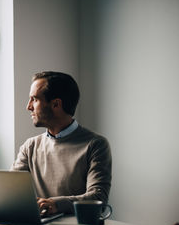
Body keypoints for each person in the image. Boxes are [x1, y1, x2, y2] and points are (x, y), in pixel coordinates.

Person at [11, 71, 112, 215]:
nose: (29, 106)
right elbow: (10, 192)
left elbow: (98, 198)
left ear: (56, 104)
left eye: (34, 99)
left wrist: (55, 204)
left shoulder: (96, 145)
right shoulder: (30, 146)